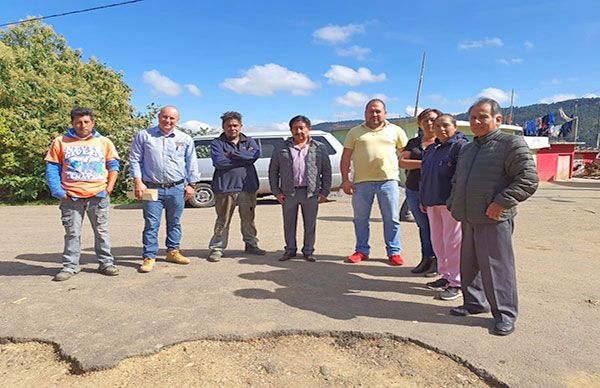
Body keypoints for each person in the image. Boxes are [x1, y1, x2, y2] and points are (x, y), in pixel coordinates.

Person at [448, 98, 539, 336]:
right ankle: (474, 303)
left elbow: (528, 179)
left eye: (483, 116)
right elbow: (458, 179)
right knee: (469, 264)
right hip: (468, 217)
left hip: (494, 218)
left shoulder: (511, 144)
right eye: (473, 117)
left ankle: (505, 315)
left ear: (497, 119)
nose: (477, 121)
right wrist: (453, 203)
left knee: (497, 268)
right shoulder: (467, 148)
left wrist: (501, 202)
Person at [45, 107, 120, 281]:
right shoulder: (60, 142)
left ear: (92, 123)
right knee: (72, 232)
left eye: (86, 122)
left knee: (101, 231)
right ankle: (70, 266)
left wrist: (108, 188)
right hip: (71, 197)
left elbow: (113, 166)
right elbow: (52, 168)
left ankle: (106, 263)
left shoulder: (104, 142)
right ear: (72, 123)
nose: (82, 125)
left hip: (98, 195)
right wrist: (58, 191)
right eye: (78, 122)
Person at [129, 106, 200, 273]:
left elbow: (191, 162)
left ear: (177, 120)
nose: (168, 121)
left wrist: (192, 185)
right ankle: (149, 257)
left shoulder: (185, 138)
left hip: (177, 188)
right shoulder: (144, 135)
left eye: (172, 118)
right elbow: (135, 159)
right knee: (151, 224)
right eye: (165, 117)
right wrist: (138, 181)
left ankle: (173, 251)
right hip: (152, 188)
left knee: (175, 222)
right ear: (159, 117)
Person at [341, 99, 409, 265]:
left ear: (385, 113)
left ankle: (394, 252)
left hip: (388, 181)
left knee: (391, 218)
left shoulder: (396, 131)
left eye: (378, 111)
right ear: (365, 113)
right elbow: (346, 157)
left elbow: (406, 152)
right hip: (361, 182)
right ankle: (361, 250)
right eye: (371, 111)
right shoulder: (355, 132)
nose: (374, 114)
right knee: (360, 219)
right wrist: (345, 180)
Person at [268, 115, 332, 262]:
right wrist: (276, 192)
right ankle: (290, 250)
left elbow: (326, 172)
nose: (299, 131)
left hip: (311, 192)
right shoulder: (281, 148)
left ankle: (308, 251)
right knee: (289, 224)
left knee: (310, 224)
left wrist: (324, 192)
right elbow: (273, 171)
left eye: (302, 128)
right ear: (291, 130)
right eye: (295, 128)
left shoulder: (319, 148)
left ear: (309, 129)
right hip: (289, 193)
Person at [420, 114, 468, 301]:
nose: (440, 129)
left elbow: (461, 177)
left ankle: (457, 283)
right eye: (437, 125)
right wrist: (423, 199)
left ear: (454, 126)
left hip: (450, 204)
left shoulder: (460, 147)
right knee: (438, 242)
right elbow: (425, 176)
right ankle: (446, 275)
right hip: (432, 202)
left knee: (453, 243)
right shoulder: (432, 149)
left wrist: (456, 200)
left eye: (445, 125)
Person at [207, 111, 266, 262]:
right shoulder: (217, 143)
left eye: (235, 125)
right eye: (228, 126)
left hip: (248, 187)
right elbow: (219, 162)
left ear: (241, 126)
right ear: (223, 127)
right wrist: (242, 157)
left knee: (249, 219)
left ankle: (251, 244)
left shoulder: (249, 141)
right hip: (225, 188)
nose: (232, 128)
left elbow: (253, 157)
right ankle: (217, 248)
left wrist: (231, 154)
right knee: (223, 220)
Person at [399, 108, 442, 276]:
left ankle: (439, 262)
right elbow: (402, 162)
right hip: (413, 189)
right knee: (423, 226)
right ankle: (426, 258)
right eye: (425, 120)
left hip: (436, 192)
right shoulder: (413, 143)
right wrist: (426, 163)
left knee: (437, 227)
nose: (429, 123)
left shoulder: (442, 142)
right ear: (420, 123)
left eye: (433, 119)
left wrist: (415, 162)